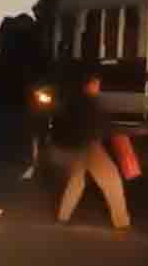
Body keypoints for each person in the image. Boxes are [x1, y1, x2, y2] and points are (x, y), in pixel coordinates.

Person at [53, 69, 131, 229]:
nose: (98, 87)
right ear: (90, 85)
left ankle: (63, 216)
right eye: (97, 84)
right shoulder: (90, 102)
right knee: (112, 181)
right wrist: (120, 132)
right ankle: (121, 222)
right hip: (90, 146)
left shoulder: (75, 102)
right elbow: (103, 124)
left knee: (75, 183)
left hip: (77, 146)